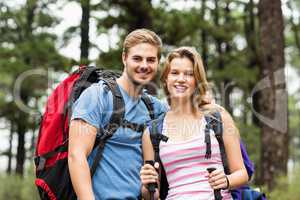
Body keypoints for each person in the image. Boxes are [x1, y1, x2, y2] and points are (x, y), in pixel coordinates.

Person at [68, 29, 168, 200]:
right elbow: (76, 155)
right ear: (124, 58)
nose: (144, 65)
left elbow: (188, 115)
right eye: (137, 58)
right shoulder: (98, 96)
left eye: (151, 60)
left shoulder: (154, 108)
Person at [140, 47, 249, 200]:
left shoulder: (218, 118)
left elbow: (242, 174)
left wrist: (226, 180)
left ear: (197, 80)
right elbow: (152, 195)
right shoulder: (152, 132)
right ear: (166, 79)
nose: (181, 79)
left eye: (189, 74)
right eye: (175, 73)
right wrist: (146, 185)